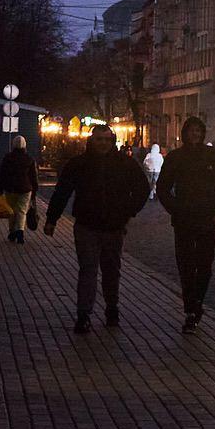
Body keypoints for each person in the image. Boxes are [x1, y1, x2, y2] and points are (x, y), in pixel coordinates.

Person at [44, 123, 150, 334]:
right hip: (87, 225)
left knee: (112, 271)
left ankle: (112, 308)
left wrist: (128, 212)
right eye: (99, 139)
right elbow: (62, 191)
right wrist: (51, 218)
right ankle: (84, 314)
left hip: (113, 226)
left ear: (112, 141)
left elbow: (142, 188)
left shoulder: (124, 163)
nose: (103, 143)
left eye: (107, 139)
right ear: (91, 141)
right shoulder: (79, 164)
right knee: (88, 270)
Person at [155, 116, 215, 333]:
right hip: (183, 220)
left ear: (203, 133)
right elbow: (163, 187)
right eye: (191, 131)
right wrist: (175, 208)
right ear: (185, 133)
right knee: (187, 266)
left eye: (198, 131)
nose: (195, 135)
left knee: (205, 267)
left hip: (207, 219)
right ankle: (191, 308)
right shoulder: (175, 157)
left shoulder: (214, 156)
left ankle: (197, 302)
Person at [0, 134, 39, 244]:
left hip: (10, 188)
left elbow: (2, 174)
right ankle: (20, 231)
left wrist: (0, 188)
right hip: (25, 189)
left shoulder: (8, 158)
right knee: (22, 211)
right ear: (25, 145)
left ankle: (12, 231)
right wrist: (34, 191)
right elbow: (33, 177)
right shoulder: (29, 159)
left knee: (11, 211)